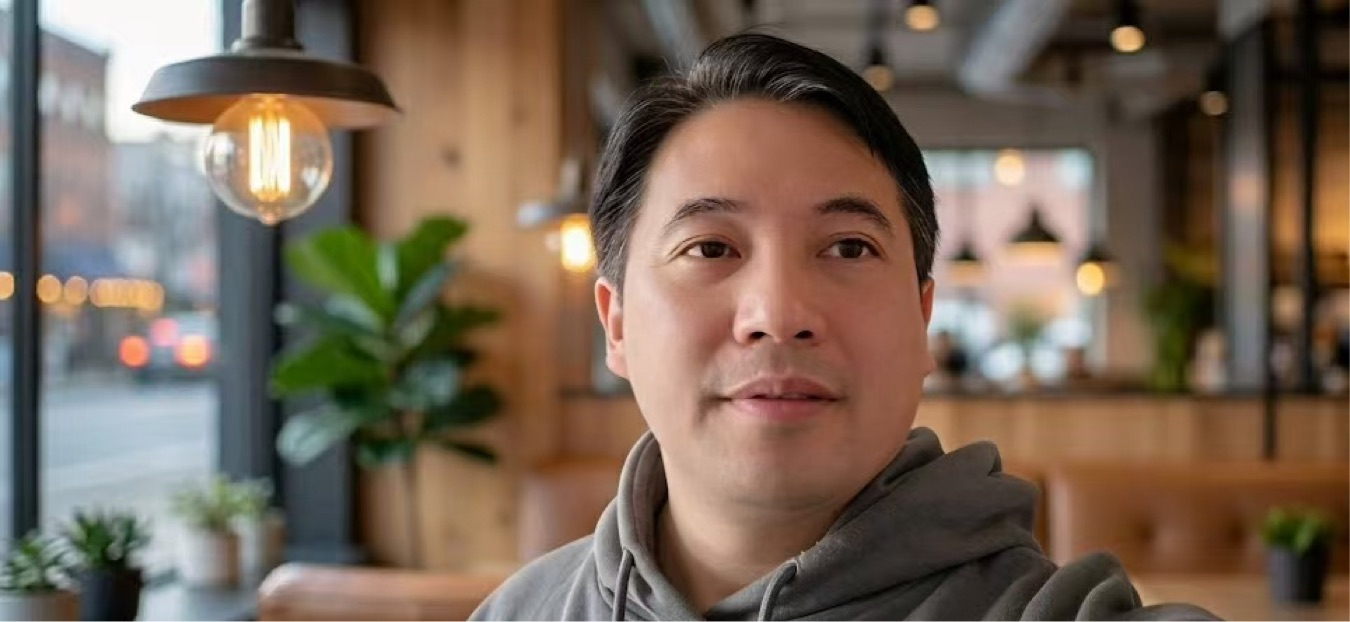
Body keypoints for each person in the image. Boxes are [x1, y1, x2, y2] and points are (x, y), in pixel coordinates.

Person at [472, 33, 1216, 621]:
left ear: (922, 319)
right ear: (618, 324)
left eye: (849, 248)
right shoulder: (520, 612)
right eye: (710, 248)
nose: (779, 315)